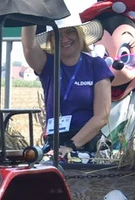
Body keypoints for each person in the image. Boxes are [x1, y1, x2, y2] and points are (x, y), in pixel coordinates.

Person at [21, 15, 112, 157]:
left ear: (80, 34)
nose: (64, 39)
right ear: (51, 40)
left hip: (87, 145)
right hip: (54, 145)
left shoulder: (96, 65)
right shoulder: (47, 64)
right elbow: (28, 45)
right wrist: (30, 10)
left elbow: (101, 117)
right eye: (57, 34)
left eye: (70, 32)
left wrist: (71, 145)